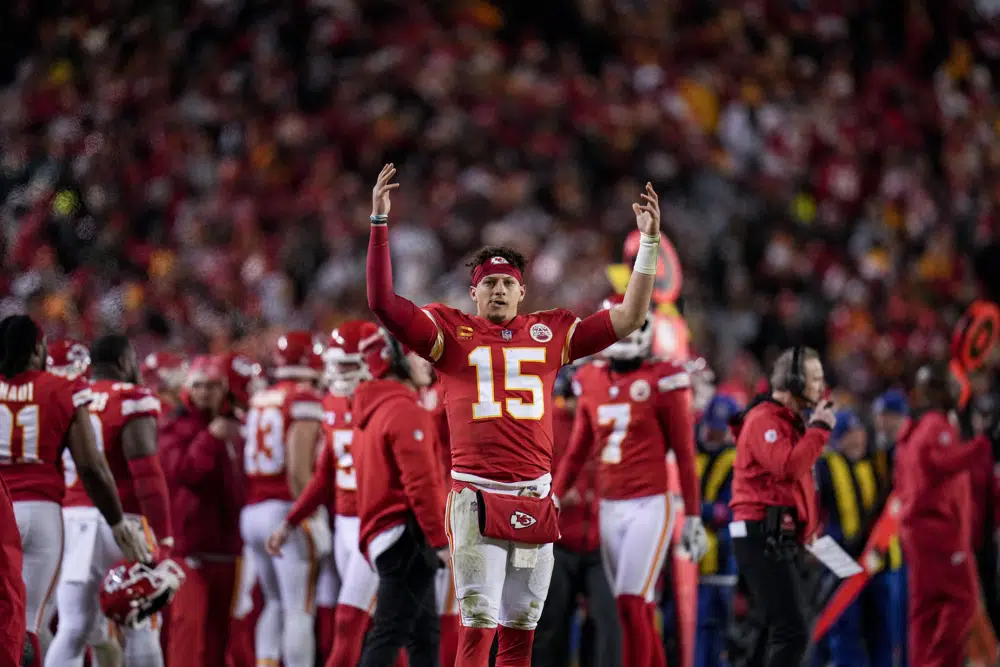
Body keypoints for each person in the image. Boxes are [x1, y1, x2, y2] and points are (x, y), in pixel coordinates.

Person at [366, 163, 660, 667]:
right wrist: (378, 225)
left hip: (534, 494)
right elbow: (383, 304)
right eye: (489, 283)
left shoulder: (549, 333)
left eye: (507, 282)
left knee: (521, 633)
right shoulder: (449, 332)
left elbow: (630, 317)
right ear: (473, 292)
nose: (499, 290)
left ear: (522, 291)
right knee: (477, 629)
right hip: (476, 496)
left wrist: (649, 243)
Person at [552, 295, 707, 667]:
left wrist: (695, 517)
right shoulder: (587, 379)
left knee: (630, 601)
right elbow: (577, 450)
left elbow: (685, 455)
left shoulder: (664, 379)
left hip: (649, 504)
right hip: (610, 506)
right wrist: (554, 497)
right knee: (636, 608)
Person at [0, 315, 151, 667]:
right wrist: (117, 523)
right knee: (26, 624)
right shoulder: (61, 388)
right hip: (40, 513)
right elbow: (91, 466)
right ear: (38, 349)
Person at [48, 334, 172, 667]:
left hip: (73, 521)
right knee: (141, 623)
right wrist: (165, 536)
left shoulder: (70, 396)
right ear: (124, 362)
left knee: (73, 628)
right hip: (124, 521)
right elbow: (147, 476)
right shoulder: (131, 398)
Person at [267, 320, 381, 667]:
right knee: (376, 623)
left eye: (348, 365)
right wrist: (291, 520)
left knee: (354, 620)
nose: (339, 373)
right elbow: (324, 475)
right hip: (345, 522)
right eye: (336, 365)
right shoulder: (330, 403)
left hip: (376, 522)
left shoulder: (387, 399)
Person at [728, 346, 836, 667]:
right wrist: (819, 431)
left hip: (776, 534)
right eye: (814, 378)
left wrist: (808, 530)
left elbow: (794, 487)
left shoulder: (786, 422)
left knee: (770, 630)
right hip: (760, 533)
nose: (820, 386)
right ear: (794, 379)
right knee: (794, 630)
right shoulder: (764, 419)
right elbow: (787, 466)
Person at [352, 328, 448, 667]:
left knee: (423, 636)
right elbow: (421, 485)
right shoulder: (405, 411)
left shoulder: (374, 409)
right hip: (405, 535)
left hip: (386, 533)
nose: (425, 360)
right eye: (416, 353)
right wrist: (440, 541)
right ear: (394, 359)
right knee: (388, 635)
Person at [895, 362, 990, 667]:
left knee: (924, 610)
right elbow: (945, 461)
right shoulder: (935, 425)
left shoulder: (912, 429)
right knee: (962, 600)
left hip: (917, 533)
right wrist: (982, 443)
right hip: (938, 534)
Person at [241, 331, 326, 667]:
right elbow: (297, 466)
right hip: (284, 507)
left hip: (253, 511)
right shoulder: (303, 398)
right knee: (298, 609)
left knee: (274, 603)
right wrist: (309, 511)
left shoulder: (261, 398)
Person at [159, 354, 248, 667]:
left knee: (219, 637)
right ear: (188, 388)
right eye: (199, 385)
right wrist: (211, 439)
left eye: (213, 385)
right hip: (190, 548)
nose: (206, 392)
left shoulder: (234, 425)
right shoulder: (173, 426)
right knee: (187, 632)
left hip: (226, 547)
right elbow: (186, 473)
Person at [533, 365, 620, 667]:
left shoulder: (604, 418)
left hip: (598, 539)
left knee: (608, 625)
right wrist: (555, 492)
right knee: (551, 626)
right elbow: (533, 472)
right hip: (559, 539)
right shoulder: (549, 423)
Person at [811, 410, 872, 667]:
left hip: (867, 556)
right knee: (841, 618)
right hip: (836, 554)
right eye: (849, 434)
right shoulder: (825, 465)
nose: (856, 440)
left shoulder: (870, 465)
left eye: (859, 433)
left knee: (861, 622)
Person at [693, 394, 741, 667]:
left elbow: (730, 512)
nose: (714, 434)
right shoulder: (691, 453)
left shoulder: (740, 461)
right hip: (691, 564)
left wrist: (696, 509)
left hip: (723, 563)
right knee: (693, 635)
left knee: (720, 640)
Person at [866, 391, 908, 667]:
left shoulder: (909, 450)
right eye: (881, 416)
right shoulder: (875, 452)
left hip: (905, 550)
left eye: (891, 416)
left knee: (901, 627)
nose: (884, 423)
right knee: (880, 628)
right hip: (879, 551)